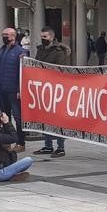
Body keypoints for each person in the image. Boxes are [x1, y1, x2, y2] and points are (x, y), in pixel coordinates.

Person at [34, 27, 70, 156]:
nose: (43, 39)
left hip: (55, 89)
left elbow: (60, 70)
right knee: (45, 118)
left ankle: (60, 147)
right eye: (42, 37)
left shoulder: (59, 51)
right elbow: (36, 64)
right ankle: (47, 145)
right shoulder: (40, 49)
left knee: (57, 119)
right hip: (42, 87)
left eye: (45, 37)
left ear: (51, 37)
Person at [0, 27, 29, 148]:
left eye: (7, 35)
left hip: (14, 90)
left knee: (18, 118)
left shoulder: (21, 52)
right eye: (3, 34)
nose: (4, 36)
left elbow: (24, 73)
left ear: (13, 36)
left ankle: (20, 142)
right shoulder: (1, 50)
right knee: (4, 117)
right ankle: (7, 141)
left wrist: (20, 89)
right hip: (2, 89)